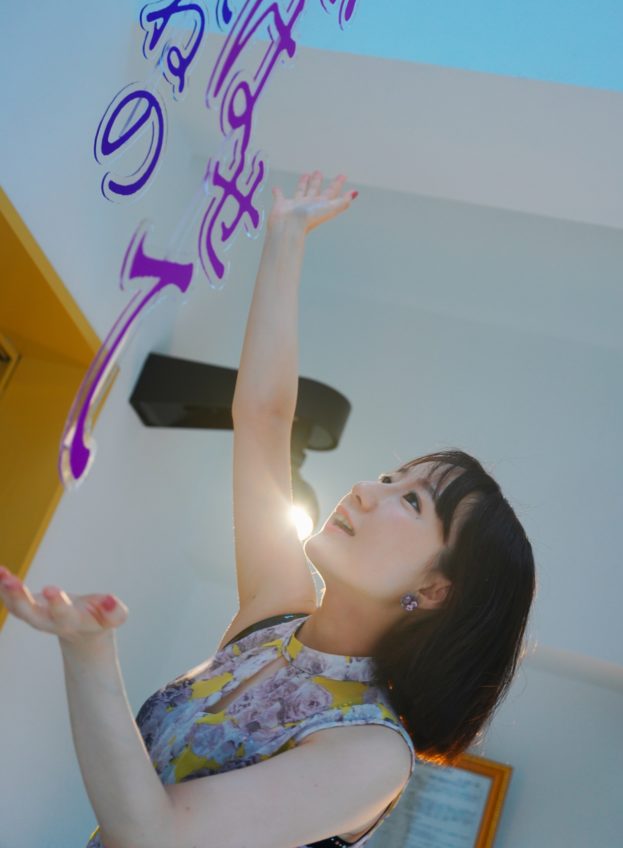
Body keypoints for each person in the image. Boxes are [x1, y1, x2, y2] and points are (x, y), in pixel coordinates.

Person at [0, 170, 535, 848]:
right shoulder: (276, 613)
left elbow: (153, 834)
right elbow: (263, 418)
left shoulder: (373, 751)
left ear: (435, 588)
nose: (363, 490)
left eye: (409, 499)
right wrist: (286, 235)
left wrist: (88, 650)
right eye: (385, 475)